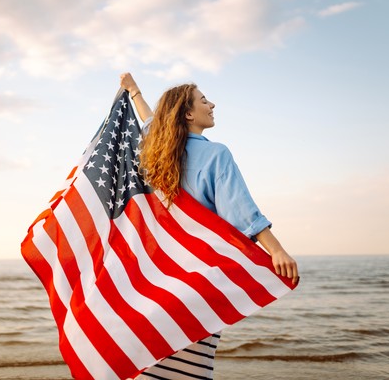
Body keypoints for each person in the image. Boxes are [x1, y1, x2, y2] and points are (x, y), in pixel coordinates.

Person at [119, 72, 299, 380]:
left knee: (155, 366)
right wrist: (277, 249)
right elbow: (241, 210)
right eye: (204, 100)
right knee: (193, 369)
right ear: (188, 113)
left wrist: (135, 91)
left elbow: (150, 120)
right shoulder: (216, 154)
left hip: (156, 279)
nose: (212, 104)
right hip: (198, 281)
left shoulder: (156, 155)